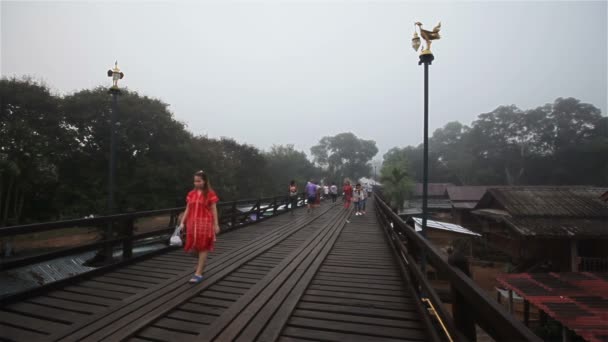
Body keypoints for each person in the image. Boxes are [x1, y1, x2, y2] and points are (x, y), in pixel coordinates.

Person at [179, 170, 220, 283]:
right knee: (194, 247)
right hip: (192, 224)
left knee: (203, 246)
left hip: (205, 223)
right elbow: (188, 208)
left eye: (199, 181)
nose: (196, 183)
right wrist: (182, 222)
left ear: (205, 181)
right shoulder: (191, 194)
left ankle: (198, 273)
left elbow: (214, 209)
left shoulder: (210, 194)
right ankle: (201, 264)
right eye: (195, 181)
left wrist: (216, 224)